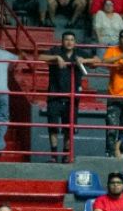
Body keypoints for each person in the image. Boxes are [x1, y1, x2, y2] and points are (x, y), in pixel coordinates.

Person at [40, 30, 100, 161]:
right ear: (62, 41)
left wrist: (84, 60)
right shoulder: (56, 51)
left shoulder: (79, 53)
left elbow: (97, 61)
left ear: (75, 42)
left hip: (72, 97)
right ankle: (54, 155)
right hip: (54, 95)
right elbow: (40, 57)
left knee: (69, 128)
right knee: (53, 127)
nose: (69, 42)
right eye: (66, 39)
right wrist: (56, 58)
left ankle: (66, 155)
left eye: (72, 40)